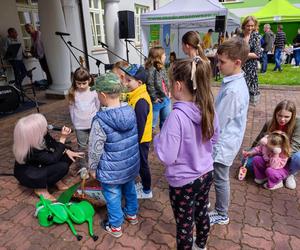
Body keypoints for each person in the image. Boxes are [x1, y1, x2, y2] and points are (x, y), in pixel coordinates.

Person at [154, 57, 219, 250]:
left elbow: (166, 156)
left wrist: (158, 139)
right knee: (201, 212)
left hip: (183, 182)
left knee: (184, 223)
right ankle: (201, 245)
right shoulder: (208, 108)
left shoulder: (176, 117)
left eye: (170, 82)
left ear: (179, 85)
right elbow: (214, 139)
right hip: (206, 174)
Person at [88, 72, 140, 238]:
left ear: (102, 95)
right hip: (129, 164)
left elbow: (95, 148)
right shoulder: (131, 111)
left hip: (110, 168)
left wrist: (92, 168)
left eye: (97, 94)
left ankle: (116, 225)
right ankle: (132, 215)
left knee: (112, 195)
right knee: (130, 189)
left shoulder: (100, 120)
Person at [209, 37, 250, 226]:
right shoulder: (232, 82)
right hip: (225, 139)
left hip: (224, 142)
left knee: (220, 177)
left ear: (237, 62)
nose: (218, 65)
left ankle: (221, 213)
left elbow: (219, 121)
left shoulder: (234, 90)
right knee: (217, 175)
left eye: (222, 62)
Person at [13, 113, 84, 201]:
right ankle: (40, 189)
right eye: (44, 126)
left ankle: (55, 180)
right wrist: (62, 138)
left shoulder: (42, 135)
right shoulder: (30, 149)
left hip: (42, 163)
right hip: (31, 173)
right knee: (62, 167)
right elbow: (52, 159)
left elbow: (54, 144)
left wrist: (67, 151)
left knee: (68, 154)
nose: (47, 127)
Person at [249, 100, 300, 190]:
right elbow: (260, 138)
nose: (282, 119)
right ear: (275, 113)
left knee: (298, 158)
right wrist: (251, 151)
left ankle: (288, 174)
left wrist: (279, 158)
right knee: (248, 163)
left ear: (292, 116)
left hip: (287, 155)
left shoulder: (298, 123)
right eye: (279, 115)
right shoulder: (270, 123)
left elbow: (295, 146)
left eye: (286, 116)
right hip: (271, 153)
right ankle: (269, 174)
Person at [120, 64, 153, 199]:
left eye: (129, 80)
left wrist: (133, 143)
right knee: (140, 164)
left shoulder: (141, 101)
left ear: (139, 83)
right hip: (137, 139)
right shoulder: (136, 93)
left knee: (142, 164)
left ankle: (147, 190)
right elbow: (127, 96)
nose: (125, 83)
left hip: (140, 140)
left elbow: (140, 126)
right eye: (125, 79)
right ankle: (145, 185)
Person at [68, 67, 100, 170]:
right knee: (81, 147)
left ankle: (95, 164)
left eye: (84, 83)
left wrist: (95, 119)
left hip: (92, 123)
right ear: (75, 82)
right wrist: (75, 123)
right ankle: (83, 167)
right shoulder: (73, 93)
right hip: (80, 125)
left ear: (89, 80)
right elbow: (71, 109)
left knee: (94, 144)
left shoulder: (93, 92)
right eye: (78, 83)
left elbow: (97, 106)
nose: (81, 86)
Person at [145, 47, 171, 130]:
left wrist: (168, 91)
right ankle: (149, 140)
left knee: (166, 121)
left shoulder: (162, 67)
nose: (165, 56)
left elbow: (166, 80)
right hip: (157, 101)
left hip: (165, 99)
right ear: (158, 56)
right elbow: (150, 85)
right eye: (164, 55)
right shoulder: (151, 69)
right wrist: (154, 98)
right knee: (152, 124)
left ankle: (164, 139)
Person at [240, 16, 262, 105]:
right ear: (244, 25)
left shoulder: (255, 36)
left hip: (250, 68)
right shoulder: (239, 35)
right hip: (239, 66)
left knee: (248, 91)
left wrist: (243, 55)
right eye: (248, 25)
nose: (250, 28)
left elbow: (257, 54)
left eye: (252, 26)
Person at [4, 28, 27, 95]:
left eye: (16, 32)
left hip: (20, 59)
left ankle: (17, 84)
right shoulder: (7, 40)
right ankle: (18, 87)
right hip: (14, 60)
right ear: (10, 33)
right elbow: (5, 50)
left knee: (25, 72)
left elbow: (21, 48)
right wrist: (11, 53)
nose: (16, 33)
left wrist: (24, 55)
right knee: (17, 73)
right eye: (14, 32)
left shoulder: (18, 39)